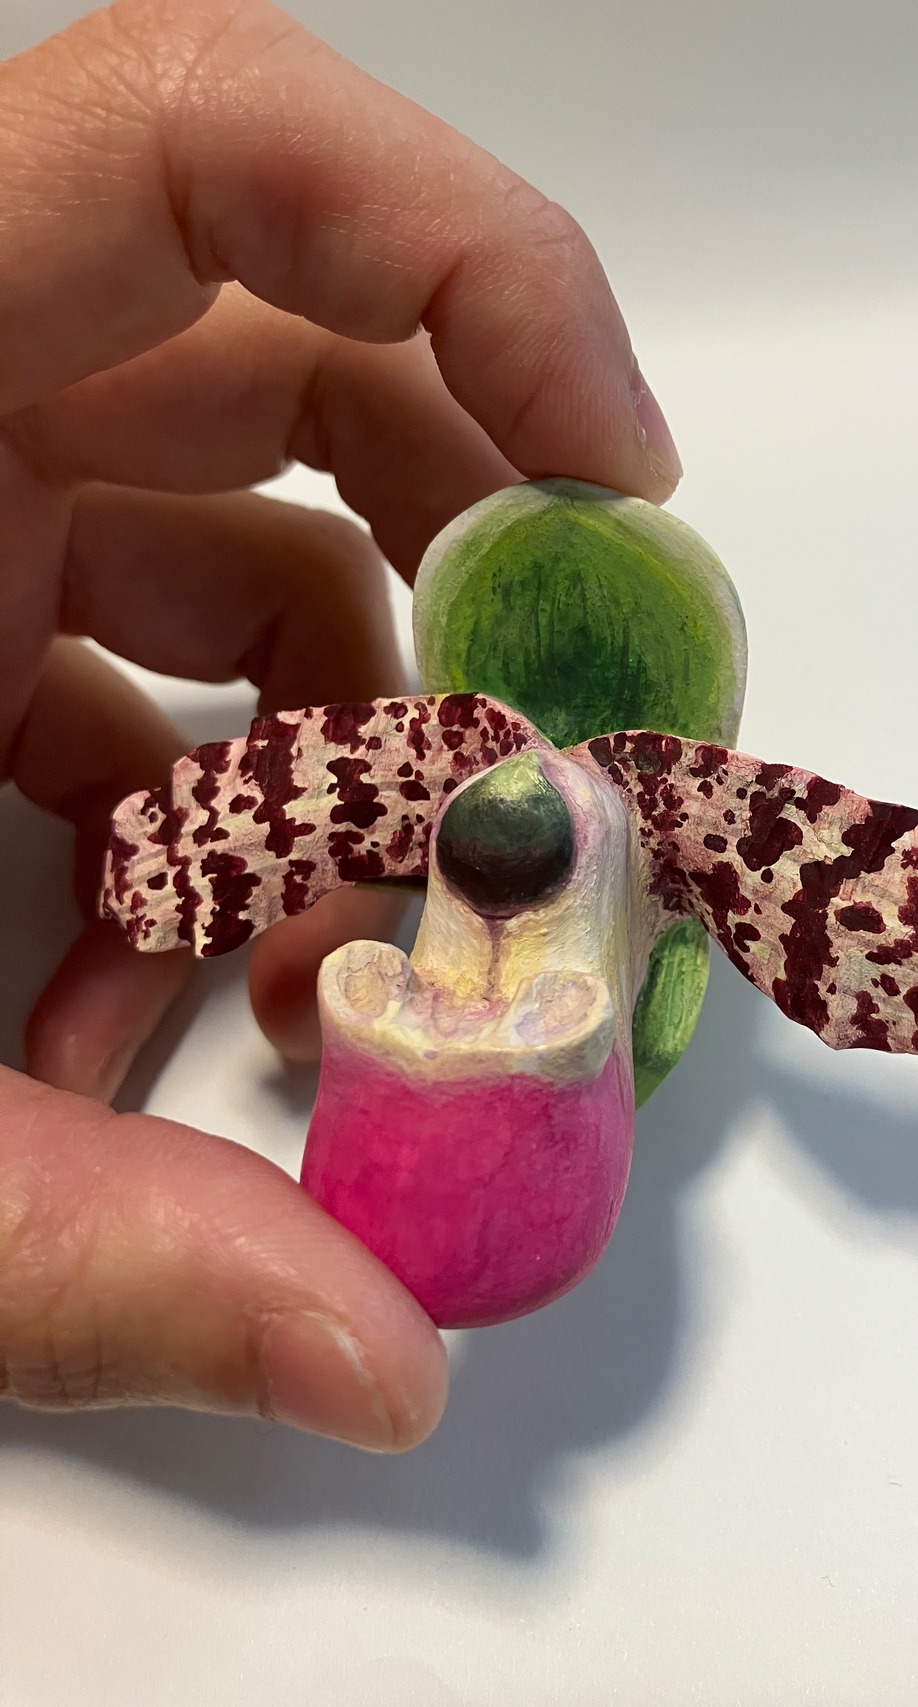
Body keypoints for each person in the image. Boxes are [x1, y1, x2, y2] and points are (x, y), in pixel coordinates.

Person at [0, 0, 681, 1451]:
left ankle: (600, 967)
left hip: (635, 859)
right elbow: (180, 848)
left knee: (595, 907)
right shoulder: (425, 770)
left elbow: (916, 939)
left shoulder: (678, 811)